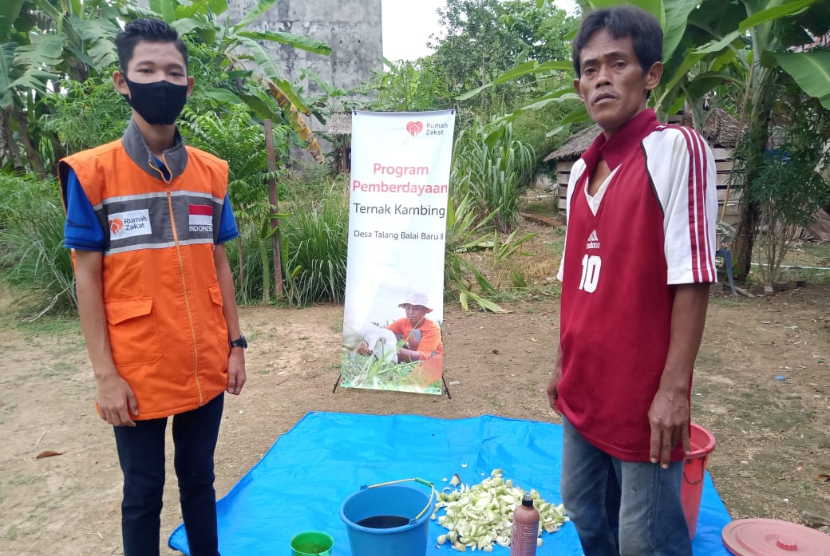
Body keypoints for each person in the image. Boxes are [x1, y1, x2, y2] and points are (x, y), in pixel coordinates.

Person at [59, 18, 247, 556]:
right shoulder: (92, 173)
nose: (160, 81)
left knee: (200, 481)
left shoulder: (211, 173)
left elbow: (220, 262)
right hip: (136, 368)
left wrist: (236, 345)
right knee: (142, 492)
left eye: (173, 72)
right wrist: (105, 378)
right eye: (147, 70)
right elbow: (87, 278)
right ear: (123, 81)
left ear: (188, 85)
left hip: (204, 358)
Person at [546, 6, 717, 556]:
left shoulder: (674, 150)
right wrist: (560, 364)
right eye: (590, 68)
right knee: (582, 507)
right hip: (584, 386)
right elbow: (577, 283)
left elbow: (693, 279)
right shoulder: (578, 174)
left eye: (618, 63)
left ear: (651, 75)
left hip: (643, 398)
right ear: (579, 86)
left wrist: (672, 391)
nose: (602, 77)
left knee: (646, 541)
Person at [357, 291, 443, 362]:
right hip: (410, 353)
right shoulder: (403, 322)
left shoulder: (432, 328)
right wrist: (366, 344)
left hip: (431, 359)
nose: (410, 312)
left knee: (415, 334)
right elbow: (382, 333)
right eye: (408, 308)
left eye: (415, 309)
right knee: (387, 336)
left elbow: (423, 356)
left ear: (424, 312)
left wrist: (391, 348)